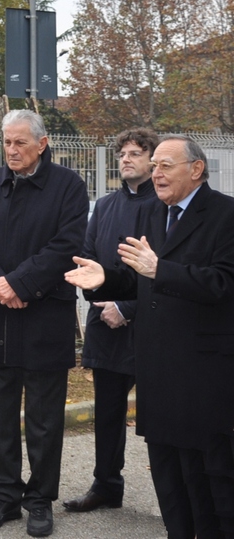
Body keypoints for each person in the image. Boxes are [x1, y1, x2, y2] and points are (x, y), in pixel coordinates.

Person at [65, 135, 234, 539]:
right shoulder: (155, 215)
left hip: (202, 374)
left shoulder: (225, 215)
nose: (155, 173)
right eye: (153, 165)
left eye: (164, 165)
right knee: (168, 477)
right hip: (156, 368)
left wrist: (161, 270)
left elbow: (223, 283)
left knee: (210, 481)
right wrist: (105, 279)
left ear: (196, 169)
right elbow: (141, 278)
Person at [0, 109, 88, 537]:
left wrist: (19, 284)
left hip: (43, 318)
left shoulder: (68, 186)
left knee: (44, 419)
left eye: (20, 143)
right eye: (7, 142)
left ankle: (39, 500)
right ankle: (4, 497)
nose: (11, 150)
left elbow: (66, 245)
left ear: (42, 143)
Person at [63, 128, 157, 514]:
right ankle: (106, 486)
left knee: (162, 418)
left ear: (153, 159)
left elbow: (164, 271)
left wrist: (128, 308)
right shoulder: (103, 207)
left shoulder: (164, 207)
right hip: (105, 324)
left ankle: (176, 494)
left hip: (152, 329)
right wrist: (104, 303)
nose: (126, 159)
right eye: (122, 154)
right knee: (107, 413)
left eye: (136, 153)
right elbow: (87, 260)